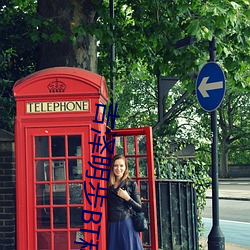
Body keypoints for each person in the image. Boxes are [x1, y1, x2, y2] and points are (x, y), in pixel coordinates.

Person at [107, 154, 144, 250]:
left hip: (125, 224)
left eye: (121, 166)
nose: (118, 168)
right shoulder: (107, 184)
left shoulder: (131, 184)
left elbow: (139, 208)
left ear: (125, 168)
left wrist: (127, 198)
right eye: (115, 165)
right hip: (111, 225)